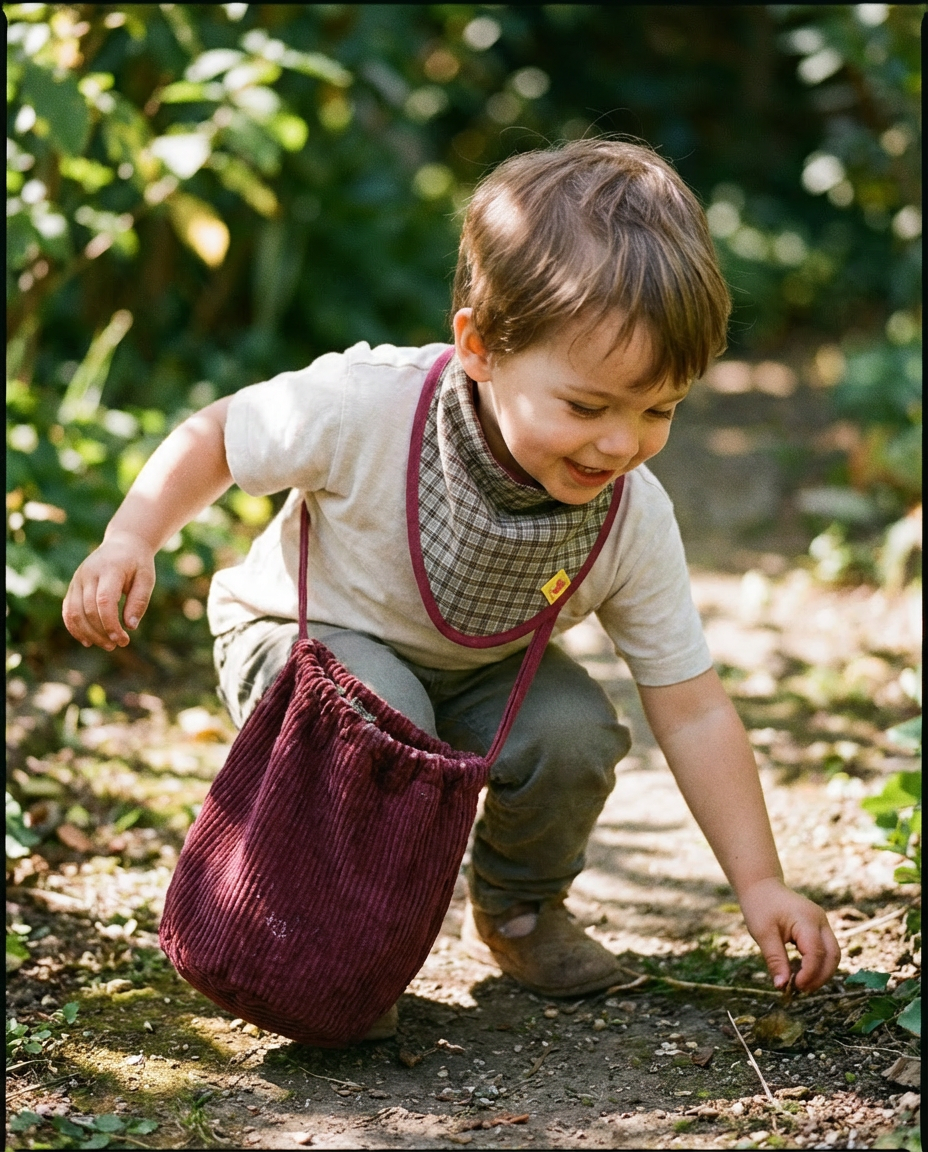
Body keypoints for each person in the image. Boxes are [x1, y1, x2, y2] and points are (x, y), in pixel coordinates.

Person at [62, 139, 840, 1040]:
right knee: (381, 711)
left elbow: (694, 707)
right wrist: (131, 539)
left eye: (658, 409)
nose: (621, 443)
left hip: (472, 670)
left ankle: (519, 912)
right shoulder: (367, 405)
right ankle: (328, 941)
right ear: (479, 346)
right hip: (302, 638)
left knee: (574, 730)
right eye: (587, 407)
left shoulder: (628, 515)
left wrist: (760, 881)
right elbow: (216, 434)